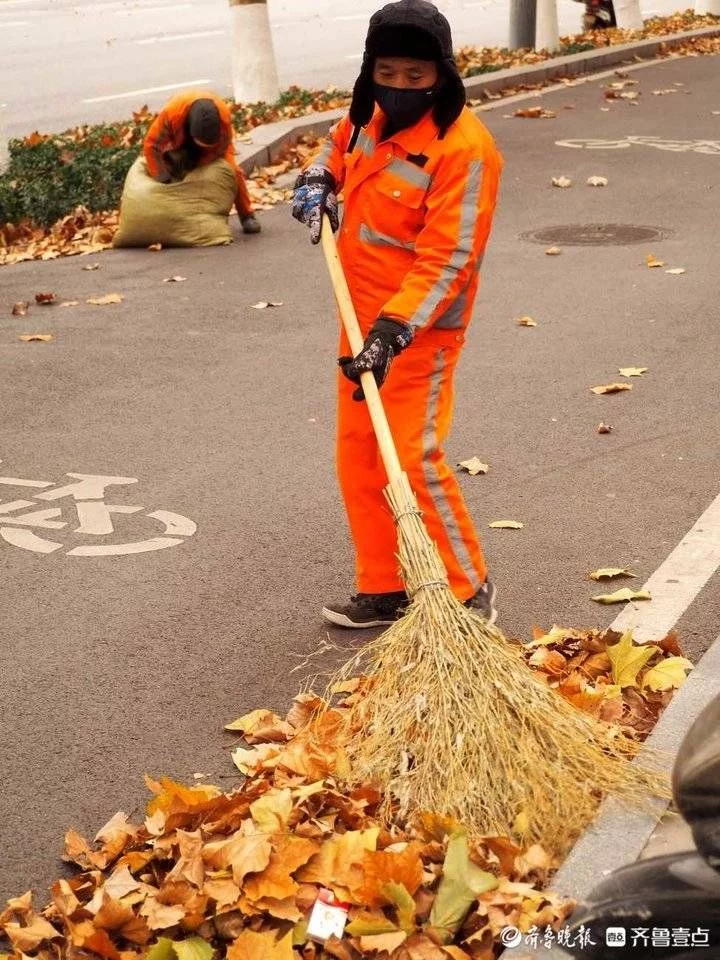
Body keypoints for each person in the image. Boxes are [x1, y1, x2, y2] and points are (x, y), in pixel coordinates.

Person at [292, 0, 503, 629]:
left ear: (442, 73)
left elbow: (451, 256)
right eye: (388, 73)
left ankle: (469, 588)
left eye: (416, 76)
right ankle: (386, 586)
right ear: (370, 71)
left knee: (411, 457)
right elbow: (337, 145)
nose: (400, 88)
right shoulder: (367, 118)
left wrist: (395, 331)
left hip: (418, 333)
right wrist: (318, 178)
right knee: (359, 454)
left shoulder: (466, 151)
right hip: (358, 321)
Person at [143, 90, 261, 235]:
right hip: (179, 145)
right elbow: (151, 146)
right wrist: (163, 178)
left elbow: (222, 147)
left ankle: (247, 215)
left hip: (215, 150)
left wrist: (201, 165)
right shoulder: (172, 114)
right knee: (170, 172)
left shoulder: (223, 116)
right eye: (202, 144)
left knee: (234, 173)